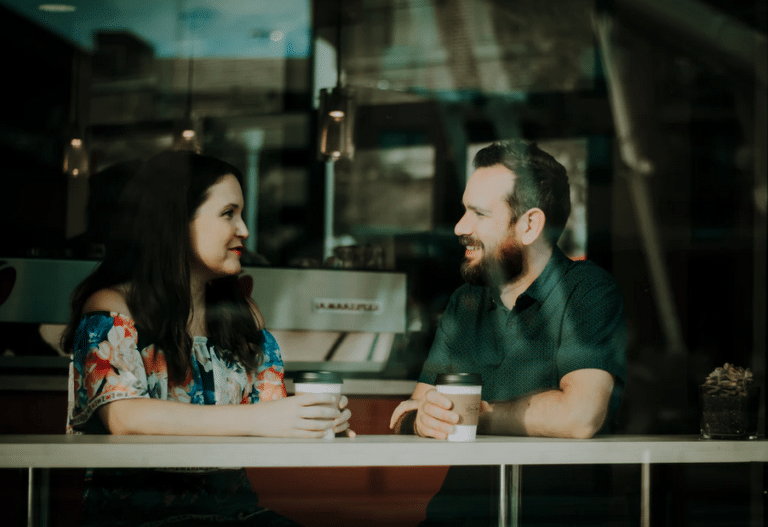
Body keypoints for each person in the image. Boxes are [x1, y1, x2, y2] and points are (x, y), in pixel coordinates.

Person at [62, 150, 352, 527]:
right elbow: (124, 416)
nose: (244, 230)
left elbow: (269, 411)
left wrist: (315, 421)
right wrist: (266, 418)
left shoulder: (242, 315)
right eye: (228, 213)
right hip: (140, 518)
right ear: (176, 222)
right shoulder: (112, 307)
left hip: (236, 514)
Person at [389, 139, 627, 526]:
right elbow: (414, 411)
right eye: (464, 210)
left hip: (555, 517)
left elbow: (580, 416)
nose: (459, 227)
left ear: (530, 225)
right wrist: (420, 421)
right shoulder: (465, 301)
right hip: (458, 515)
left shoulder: (587, 291)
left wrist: (472, 417)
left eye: (479, 213)